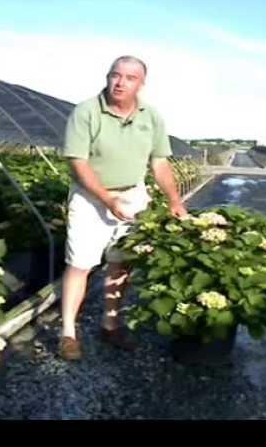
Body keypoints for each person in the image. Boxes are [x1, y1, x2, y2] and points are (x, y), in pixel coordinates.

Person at [60, 55, 188, 361]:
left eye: (130, 78)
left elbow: (159, 162)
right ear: (107, 77)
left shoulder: (151, 117)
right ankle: (67, 334)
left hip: (133, 195)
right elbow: (78, 161)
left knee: (121, 262)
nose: (120, 82)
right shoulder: (87, 111)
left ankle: (110, 325)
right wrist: (107, 199)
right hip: (91, 198)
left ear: (141, 84)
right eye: (115, 75)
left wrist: (174, 201)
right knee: (80, 264)